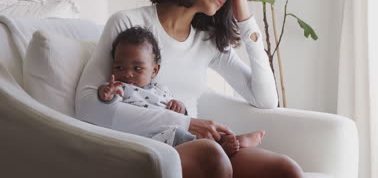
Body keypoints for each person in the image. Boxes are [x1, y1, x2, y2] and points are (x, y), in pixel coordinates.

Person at [76, 0, 303, 178]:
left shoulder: (208, 41)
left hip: (197, 144)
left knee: (286, 171)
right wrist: (185, 123)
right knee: (211, 156)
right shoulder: (129, 23)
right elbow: (87, 107)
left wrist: (245, 20)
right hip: (148, 146)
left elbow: (266, 100)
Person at [98, 26, 266, 156]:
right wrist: (106, 95)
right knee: (182, 135)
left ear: (154, 70)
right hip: (151, 140)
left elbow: (178, 112)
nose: (127, 73)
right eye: (119, 67)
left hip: (173, 131)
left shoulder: (160, 89)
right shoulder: (121, 88)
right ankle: (222, 146)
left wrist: (180, 106)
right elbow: (108, 107)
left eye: (137, 68)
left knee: (193, 132)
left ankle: (226, 140)